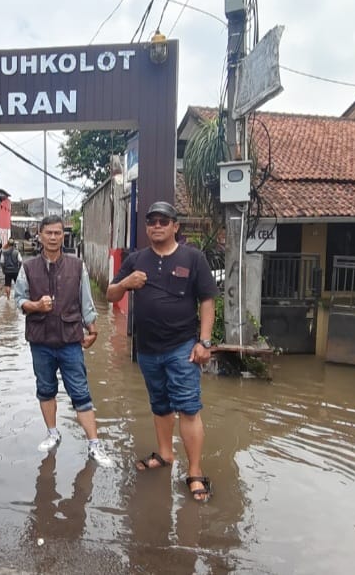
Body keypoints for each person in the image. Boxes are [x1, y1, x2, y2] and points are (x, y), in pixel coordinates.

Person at [105, 201, 218, 502]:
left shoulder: (193, 258)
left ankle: (195, 472)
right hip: (147, 349)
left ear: (175, 226)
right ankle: (166, 455)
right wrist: (127, 282)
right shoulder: (136, 259)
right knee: (160, 405)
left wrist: (204, 342)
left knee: (189, 408)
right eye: (152, 221)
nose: (157, 226)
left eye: (163, 221)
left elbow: (207, 301)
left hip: (182, 347)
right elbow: (110, 293)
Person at [14, 215, 115, 466]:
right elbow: (19, 301)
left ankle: (94, 444)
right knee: (46, 389)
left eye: (58, 233)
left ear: (63, 236)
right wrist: (36, 305)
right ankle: (52, 433)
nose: (53, 237)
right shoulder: (28, 267)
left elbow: (86, 301)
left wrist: (92, 330)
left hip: (70, 339)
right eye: (48, 233)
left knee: (80, 392)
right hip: (40, 340)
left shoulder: (76, 265)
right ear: (39, 235)